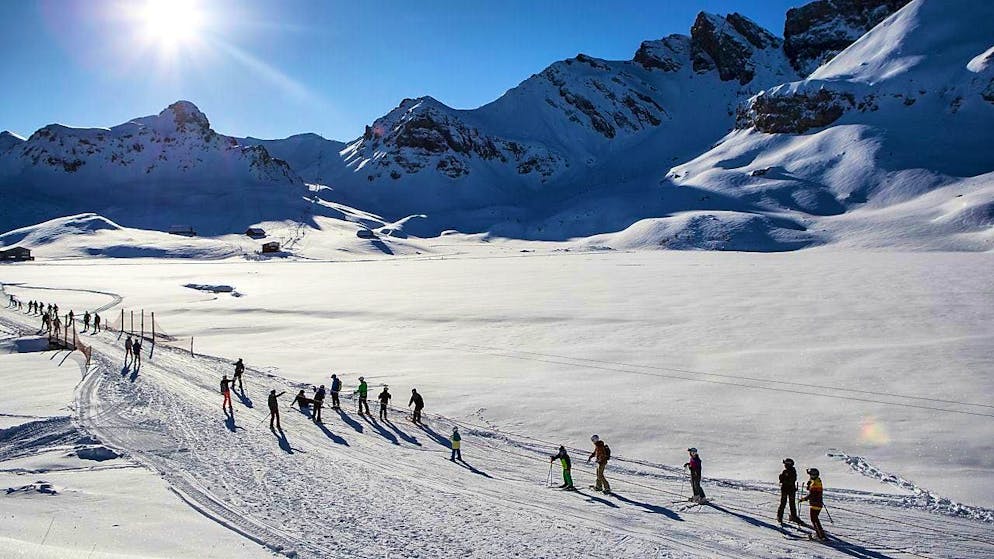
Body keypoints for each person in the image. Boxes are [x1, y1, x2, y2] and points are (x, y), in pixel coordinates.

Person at [799, 468, 827, 540]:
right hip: (816, 502)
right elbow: (811, 490)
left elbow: (812, 494)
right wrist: (809, 484)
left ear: (813, 475)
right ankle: (820, 533)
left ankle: (820, 535)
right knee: (815, 518)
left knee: (814, 519)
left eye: (810, 475)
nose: (809, 476)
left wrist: (803, 499)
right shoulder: (816, 481)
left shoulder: (815, 483)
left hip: (815, 503)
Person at [778, 458, 801, 525]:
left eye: (785, 464)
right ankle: (791, 516)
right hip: (790, 489)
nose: (784, 465)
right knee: (790, 504)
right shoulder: (790, 471)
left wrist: (782, 478)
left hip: (788, 489)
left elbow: (786, 480)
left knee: (785, 503)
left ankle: (781, 517)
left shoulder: (789, 471)